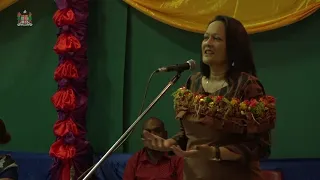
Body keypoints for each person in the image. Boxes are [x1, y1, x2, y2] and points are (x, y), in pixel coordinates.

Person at [142, 15, 276, 180]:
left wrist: (216, 152)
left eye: (217, 38)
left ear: (233, 47)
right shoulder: (193, 81)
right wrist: (170, 143)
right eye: (205, 37)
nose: (208, 43)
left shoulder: (247, 85)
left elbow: (260, 146)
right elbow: (188, 135)